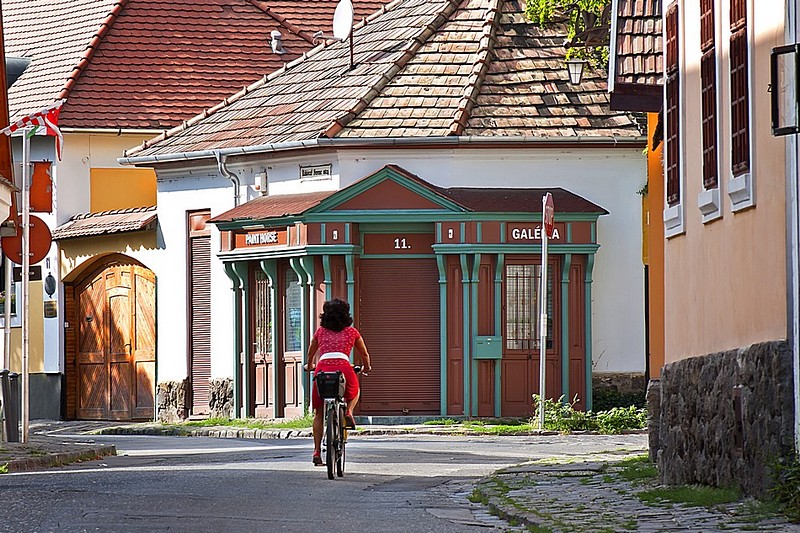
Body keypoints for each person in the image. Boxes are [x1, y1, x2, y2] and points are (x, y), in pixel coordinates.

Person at [304, 298, 371, 466]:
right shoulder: (352, 332)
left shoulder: (320, 332)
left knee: (319, 412)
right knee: (354, 391)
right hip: (344, 367)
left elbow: (311, 352)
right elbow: (364, 354)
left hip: (322, 368)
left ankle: (317, 451)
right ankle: (348, 411)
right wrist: (367, 367)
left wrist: (310, 365)